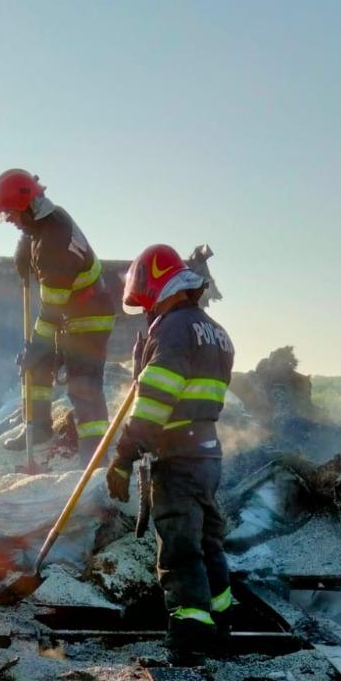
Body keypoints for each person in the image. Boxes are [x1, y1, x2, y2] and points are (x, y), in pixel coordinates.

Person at [106, 244, 234, 659]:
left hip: (178, 455)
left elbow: (155, 403)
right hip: (207, 453)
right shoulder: (214, 331)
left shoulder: (173, 329)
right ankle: (220, 625)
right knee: (206, 542)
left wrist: (123, 457)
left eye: (146, 302)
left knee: (179, 547)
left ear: (159, 287)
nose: (146, 312)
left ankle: (191, 634)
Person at [0, 169, 116, 466]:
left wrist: (36, 347)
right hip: (70, 314)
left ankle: (95, 460)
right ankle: (39, 429)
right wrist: (23, 250)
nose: (9, 221)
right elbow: (31, 232)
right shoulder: (46, 221)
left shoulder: (52, 245)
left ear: (26, 207)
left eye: (11, 215)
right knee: (36, 367)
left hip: (89, 318)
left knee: (83, 388)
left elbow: (51, 310)